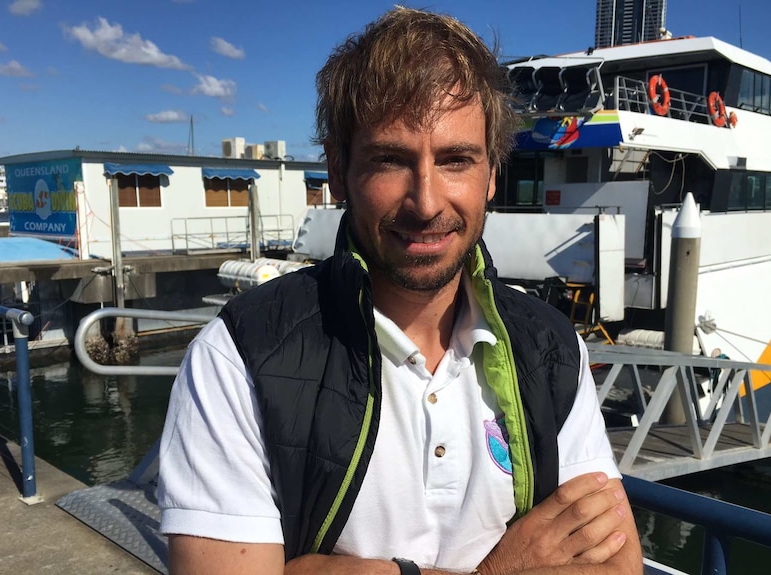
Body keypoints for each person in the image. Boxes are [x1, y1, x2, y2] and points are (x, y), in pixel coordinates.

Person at [157, 7, 642, 575]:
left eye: (457, 160)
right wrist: (500, 570)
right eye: (391, 160)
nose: (428, 202)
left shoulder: (552, 347)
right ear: (338, 171)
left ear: (491, 175)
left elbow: (615, 563)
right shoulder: (239, 355)